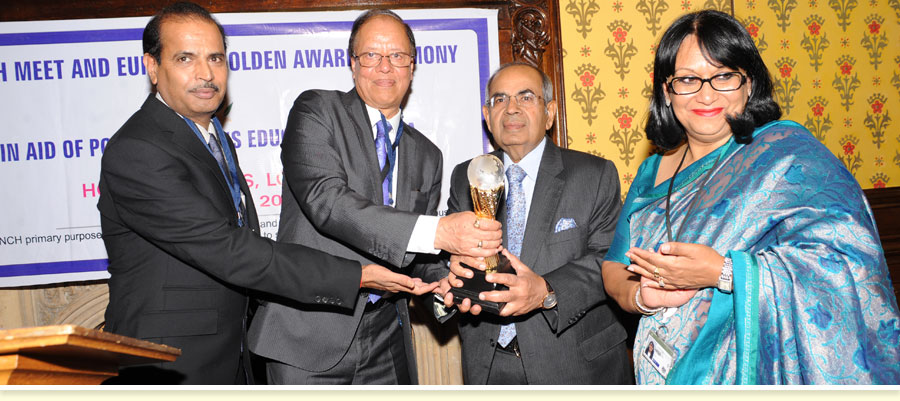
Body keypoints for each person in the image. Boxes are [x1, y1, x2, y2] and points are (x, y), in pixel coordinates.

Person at [98, 2, 425, 385]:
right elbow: (228, 249)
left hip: (230, 354)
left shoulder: (212, 138)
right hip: (168, 364)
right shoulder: (139, 148)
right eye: (186, 58)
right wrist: (356, 276)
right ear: (152, 67)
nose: (206, 73)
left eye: (216, 58)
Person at [601, 9, 900, 384]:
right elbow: (614, 268)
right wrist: (642, 298)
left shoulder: (786, 158)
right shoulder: (651, 172)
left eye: (724, 76)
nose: (706, 94)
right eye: (688, 79)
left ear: (749, 84)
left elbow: (846, 266)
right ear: (667, 90)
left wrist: (722, 272)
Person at [247, 9, 502, 385]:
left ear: (412, 67)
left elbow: (414, 255)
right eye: (371, 55)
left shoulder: (428, 155)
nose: (385, 66)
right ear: (353, 64)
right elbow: (327, 202)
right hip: (308, 336)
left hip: (387, 341)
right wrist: (439, 232)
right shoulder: (317, 110)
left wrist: (445, 282)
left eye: (397, 55)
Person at [436, 62, 632, 384]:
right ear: (487, 116)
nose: (511, 108)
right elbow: (442, 256)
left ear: (550, 113)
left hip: (574, 367)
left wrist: (546, 290)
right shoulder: (466, 176)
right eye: (500, 99)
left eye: (526, 97)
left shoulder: (594, 175)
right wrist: (448, 280)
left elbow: (610, 260)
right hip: (488, 367)